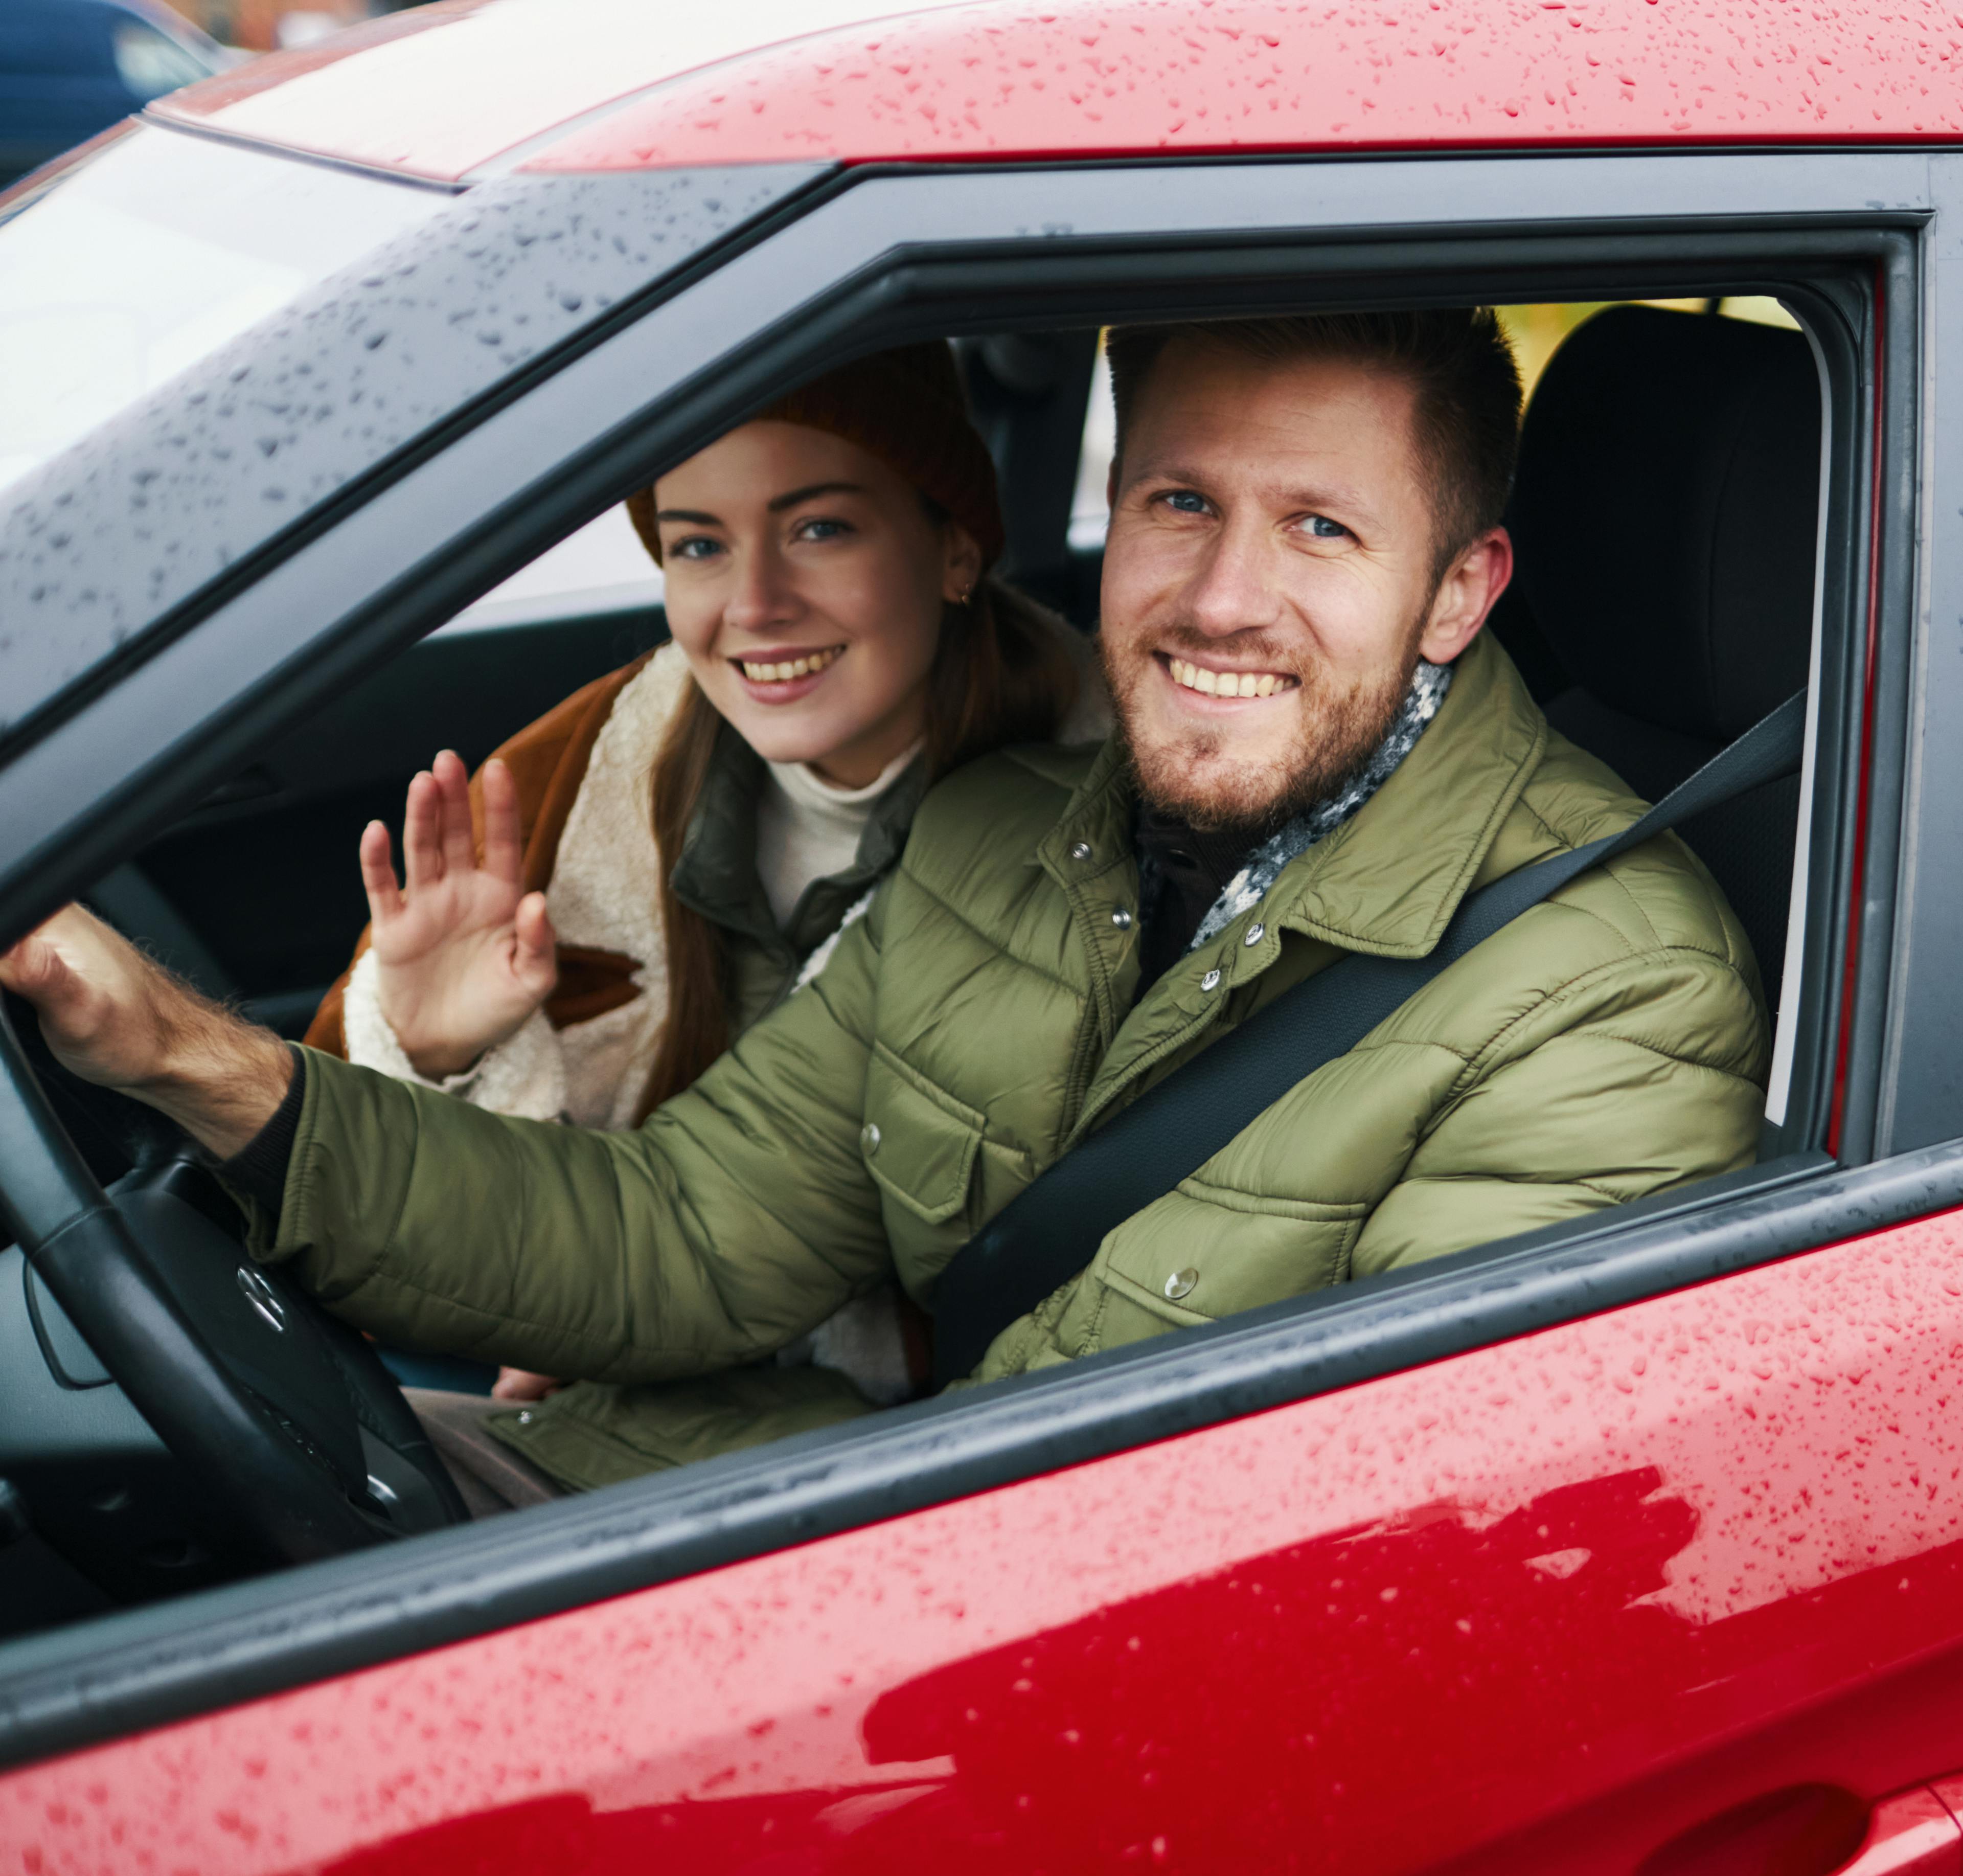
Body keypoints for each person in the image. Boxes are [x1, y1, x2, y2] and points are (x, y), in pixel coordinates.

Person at [2, 309, 1771, 1511]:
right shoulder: (1015, 830)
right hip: (879, 1536)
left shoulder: (1607, 993)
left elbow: (1390, 1557)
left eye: (1320, 528)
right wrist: (180, 1054)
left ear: (1460, 592)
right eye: (1179, 504)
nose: (1222, 597)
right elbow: (674, 1237)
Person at [301, 341, 1097, 1501]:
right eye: (698, 546)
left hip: (924, 1459)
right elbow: (359, 1190)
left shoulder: (1107, 825)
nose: (754, 605)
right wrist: (441, 1055)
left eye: (821, 528)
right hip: (648, 1376)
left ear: (956, 548)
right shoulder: (594, 771)